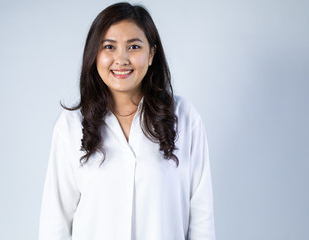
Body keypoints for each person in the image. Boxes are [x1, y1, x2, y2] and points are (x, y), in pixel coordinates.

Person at [39, 2, 215, 240]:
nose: (121, 59)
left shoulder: (184, 118)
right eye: (109, 47)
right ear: (95, 55)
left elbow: (201, 216)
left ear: (151, 54)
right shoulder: (71, 125)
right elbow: (55, 223)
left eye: (133, 46)